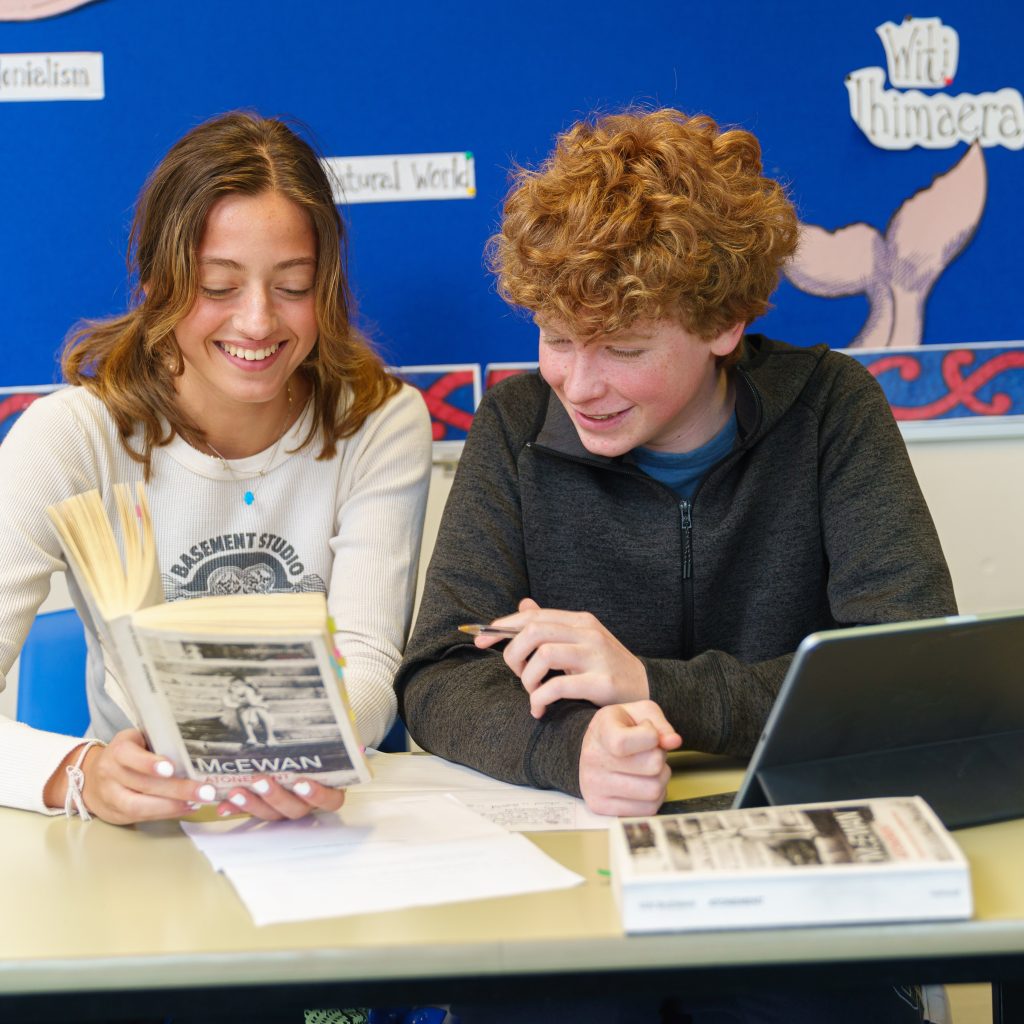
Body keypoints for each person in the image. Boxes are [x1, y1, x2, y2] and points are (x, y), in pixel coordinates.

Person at [396, 108, 955, 1023]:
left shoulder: (833, 411)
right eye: (557, 338)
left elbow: (910, 674)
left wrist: (652, 688)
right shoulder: (515, 425)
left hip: (794, 893)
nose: (579, 386)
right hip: (577, 887)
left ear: (725, 322)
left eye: (623, 349)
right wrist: (574, 749)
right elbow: (438, 670)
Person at [0, 111, 432, 826]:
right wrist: (81, 774)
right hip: (140, 833)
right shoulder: (69, 438)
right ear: (156, 283)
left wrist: (307, 749)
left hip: (319, 824)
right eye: (219, 286)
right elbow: (82, 775)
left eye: (293, 285)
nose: (258, 322)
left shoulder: (381, 421)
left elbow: (367, 659)